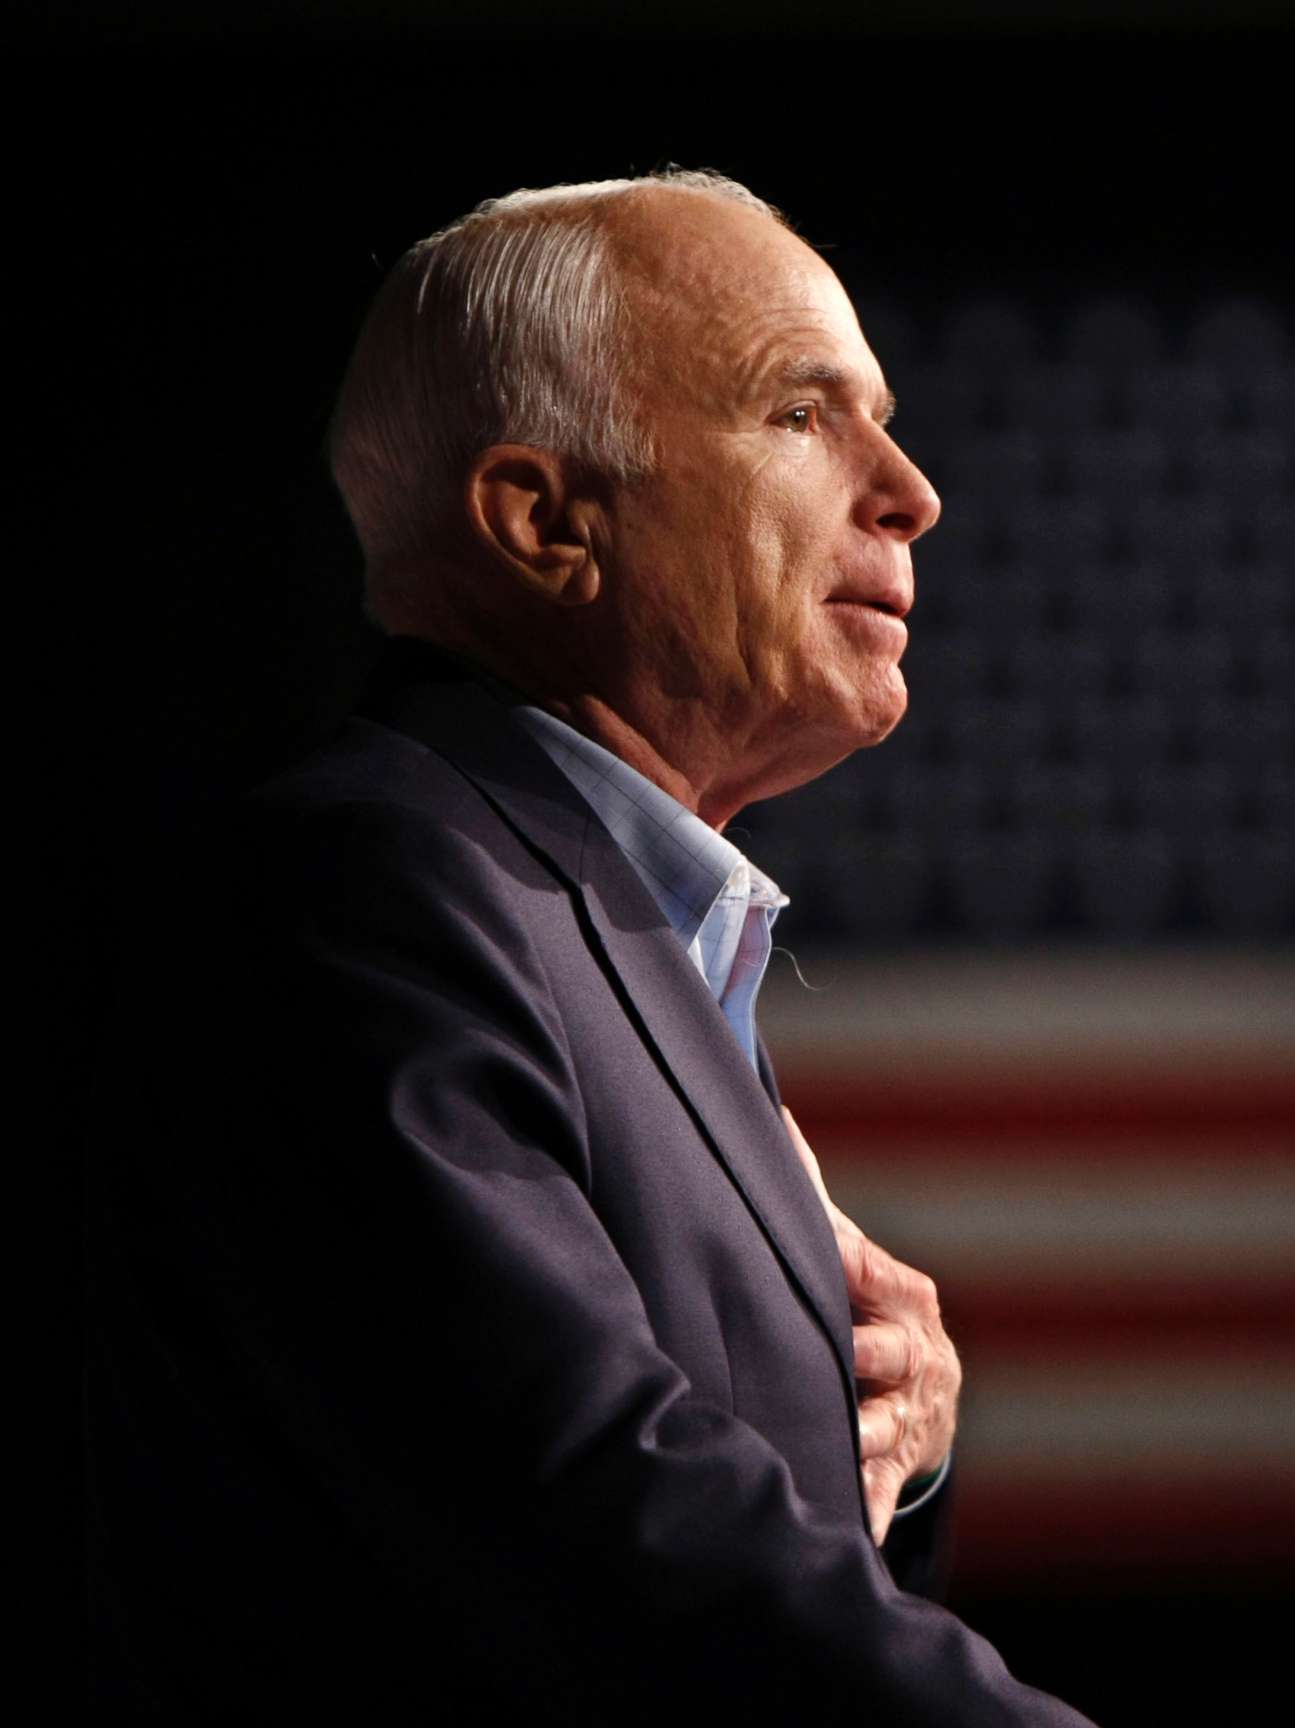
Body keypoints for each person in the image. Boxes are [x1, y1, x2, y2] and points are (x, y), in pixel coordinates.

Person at [85, 171, 1093, 1722]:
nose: (909, 490)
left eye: (879, 419)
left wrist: (896, 1429)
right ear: (547, 518)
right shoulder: (376, 886)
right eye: (802, 418)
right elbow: (605, 1531)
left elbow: (744, 1529)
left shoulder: (620, 914)